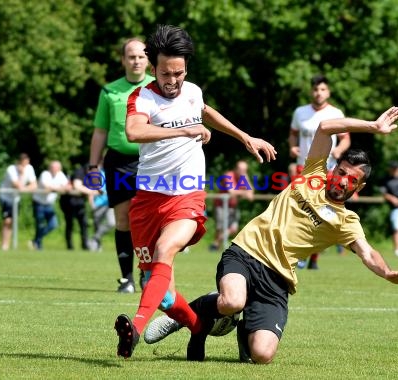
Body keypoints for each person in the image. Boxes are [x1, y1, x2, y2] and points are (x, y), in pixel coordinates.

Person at [146, 107, 398, 363]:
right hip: (246, 252)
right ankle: (183, 315)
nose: (343, 180)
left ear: (360, 186)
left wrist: (387, 273)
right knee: (232, 301)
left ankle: (244, 330)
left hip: (277, 279)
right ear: (334, 169)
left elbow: (367, 252)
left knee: (263, 355)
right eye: (342, 172)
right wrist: (372, 126)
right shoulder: (313, 173)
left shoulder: (346, 221)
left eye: (352, 180)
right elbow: (325, 127)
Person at [113, 24, 276, 360]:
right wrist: (183, 130)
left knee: (166, 248)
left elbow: (205, 111)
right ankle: (197, 327)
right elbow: (133, 130)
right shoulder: (141, 97)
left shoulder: (192, 91)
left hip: (185, 196)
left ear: (186, 68)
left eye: (179, 73)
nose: (172, 81)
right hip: (147, 200)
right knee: (163, 294)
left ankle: (137, 328)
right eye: (165, 74)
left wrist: (245, 137)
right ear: (153, 68)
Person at [89, 38, 154, 293]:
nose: (136, 61)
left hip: (152, 159)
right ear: (123, 60)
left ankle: (148, 273)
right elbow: (100, 132)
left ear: (147, 59)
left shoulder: (158, 87)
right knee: (123, 219)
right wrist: (93, 167)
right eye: (131, 56)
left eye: (140, 56)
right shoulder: (109, 91)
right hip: (118, 162)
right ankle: (126, 277)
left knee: (149, 219)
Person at [288, 74, 351, 270]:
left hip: (328, 169)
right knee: (301, 211)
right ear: (311, 91)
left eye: (322, 89)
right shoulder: (300, 112)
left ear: (328, 92)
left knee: (321, 212)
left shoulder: (336, 113)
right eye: (316, 89)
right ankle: (301, 255)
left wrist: (340, 150)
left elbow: (345, 138)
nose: (319, 93)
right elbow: (293, 135)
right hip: (303, 167)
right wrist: (292, 147)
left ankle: (313, 257)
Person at [210, 160, 254, 251]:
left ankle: (215, 244)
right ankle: (216, 246)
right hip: (221, 205)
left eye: (245, 170)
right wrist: (244, 192)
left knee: (233, 229)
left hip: (232, 206)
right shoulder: (229, 175)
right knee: (220, 227)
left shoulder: (243, 178)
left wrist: (247, 179)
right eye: (241, 170)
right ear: (236, 169)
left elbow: (251, 195)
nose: (243, 172)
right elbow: (231, 191)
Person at [0, 153, 37, 251]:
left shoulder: (30, 168)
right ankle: (4, 244)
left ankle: (9, 243)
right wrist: (21, 174)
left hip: (16, 199)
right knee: (7, 221)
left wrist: (23, 189)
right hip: (6, 197)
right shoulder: (11, 169)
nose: (25, 166)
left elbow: (34, 185)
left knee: (12, 221)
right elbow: (17, 185)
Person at [30, 160, 68, 250]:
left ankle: (36, 239)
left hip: (49, 204)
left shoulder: (61, 175)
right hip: (39, 203)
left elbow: (67, 187)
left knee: (53, 224)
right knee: (40, 224)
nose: (54, 170)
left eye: (56, 168)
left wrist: (57, 188)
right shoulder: (45, 174)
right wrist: (59, 188)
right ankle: (38, 245)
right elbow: (47, 187)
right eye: (53, 167)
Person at [59, 164, 91, 251]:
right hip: (69, 202)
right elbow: (77, 186)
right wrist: (91, 191)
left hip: (80, 202)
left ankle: (85, 245)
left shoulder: (88, 174)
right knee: (70, 224)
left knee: (83, 224)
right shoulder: (79, 172)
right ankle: (70, 246)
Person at [88, 169, 116, 252]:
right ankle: (97, 246)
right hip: (98, 204)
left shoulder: (116, 173)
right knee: (97, 226)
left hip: (110, 204)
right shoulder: (99, 174)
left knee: (111, 223)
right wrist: (92, 203)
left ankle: (94, 238)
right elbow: (92, 190)